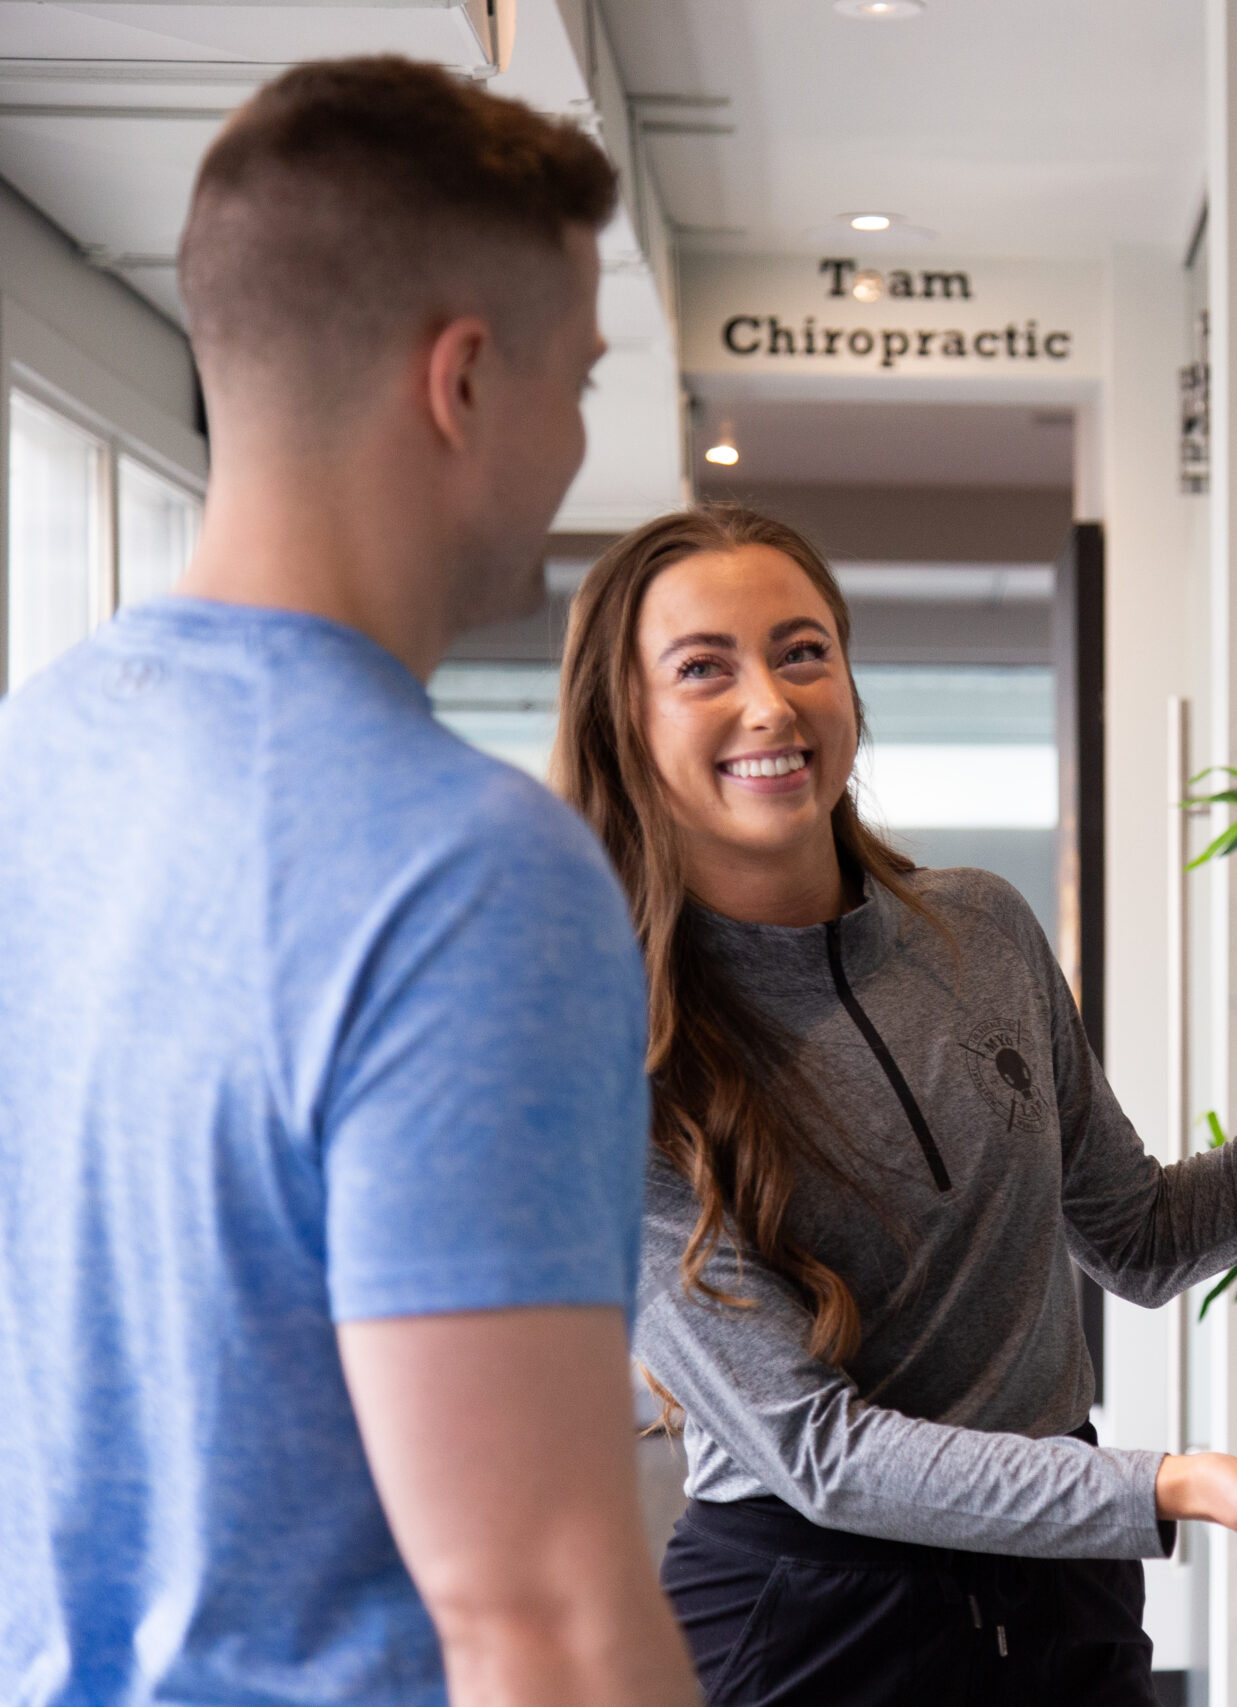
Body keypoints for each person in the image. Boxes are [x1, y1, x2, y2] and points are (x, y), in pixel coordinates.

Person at [0, 59, 696, 1705]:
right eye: (579, 381)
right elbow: (539, 1621)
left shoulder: (30, 765)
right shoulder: (466, 871)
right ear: (464, 379)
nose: (577, 443)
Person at [551, 504, 1237, 1705]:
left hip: (1063, 1600)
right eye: (702, 668)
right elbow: (817, 1452)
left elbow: (1141, 1235)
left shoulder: (980, 930)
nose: (772, 705)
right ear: (623, 722)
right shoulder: (620, 1053)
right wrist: (1166, 1483)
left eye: (802, 651)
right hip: (812, 1628)